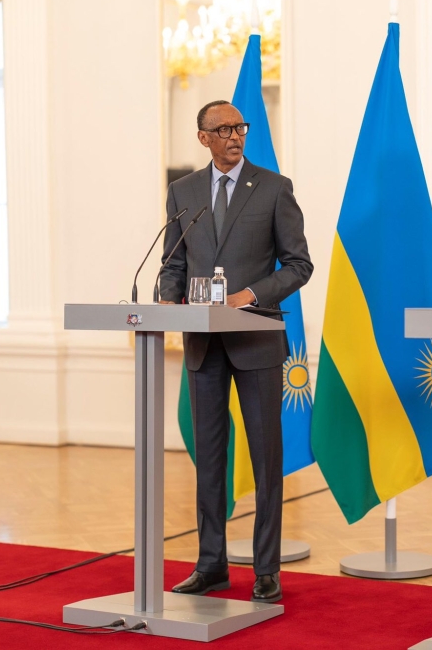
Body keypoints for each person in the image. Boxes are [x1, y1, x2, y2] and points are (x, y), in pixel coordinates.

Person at [159, 100, 313, 603]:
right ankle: (211, 565)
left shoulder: (274, 188)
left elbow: (298, 265)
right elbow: (173, 262)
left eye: (239, 127)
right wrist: (167, 296)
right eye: (222, 129)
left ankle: (266, 568)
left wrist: (249, 296)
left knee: (266, 457)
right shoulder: (183, 192)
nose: (235, 136)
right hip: (203, 342)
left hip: (256, 339)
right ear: (202, 137)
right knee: (209, 458)